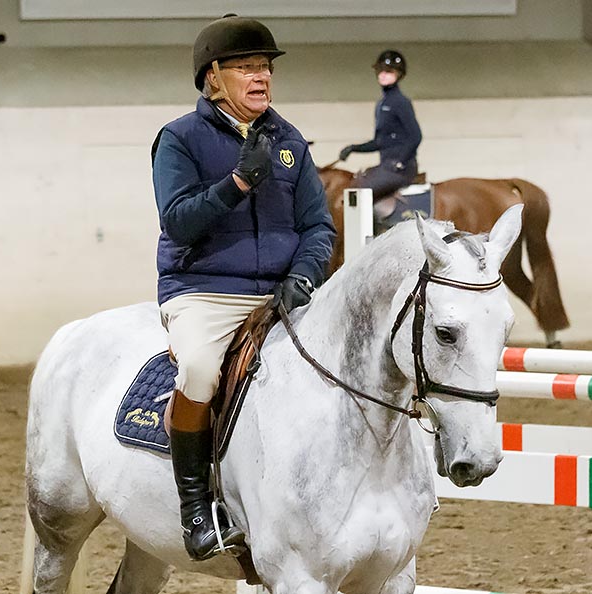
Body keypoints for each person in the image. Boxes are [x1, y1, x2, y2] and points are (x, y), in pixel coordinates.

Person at [151, 14, 335, 561]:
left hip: (282, 292)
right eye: (247, 67)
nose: (261, 78)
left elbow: (318, 226)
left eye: (266, 68)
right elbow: (178, 220)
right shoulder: (180, 139)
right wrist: (236, 184)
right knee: (201, 371)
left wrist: (304, 274)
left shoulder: (288, 140)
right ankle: (195, 510)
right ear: (213, 77)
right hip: (204, 290)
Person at [338, 50, 423, 201]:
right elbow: (379, 142)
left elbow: (416, 136)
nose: (383, 74)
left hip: (400, 170)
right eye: (380, 70)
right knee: (355, 181)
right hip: (387, 166)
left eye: (389, 71)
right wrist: (353, 148)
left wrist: (400, 162)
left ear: (399, 74)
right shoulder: (382, 104)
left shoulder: (401, 102)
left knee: (359, 192)